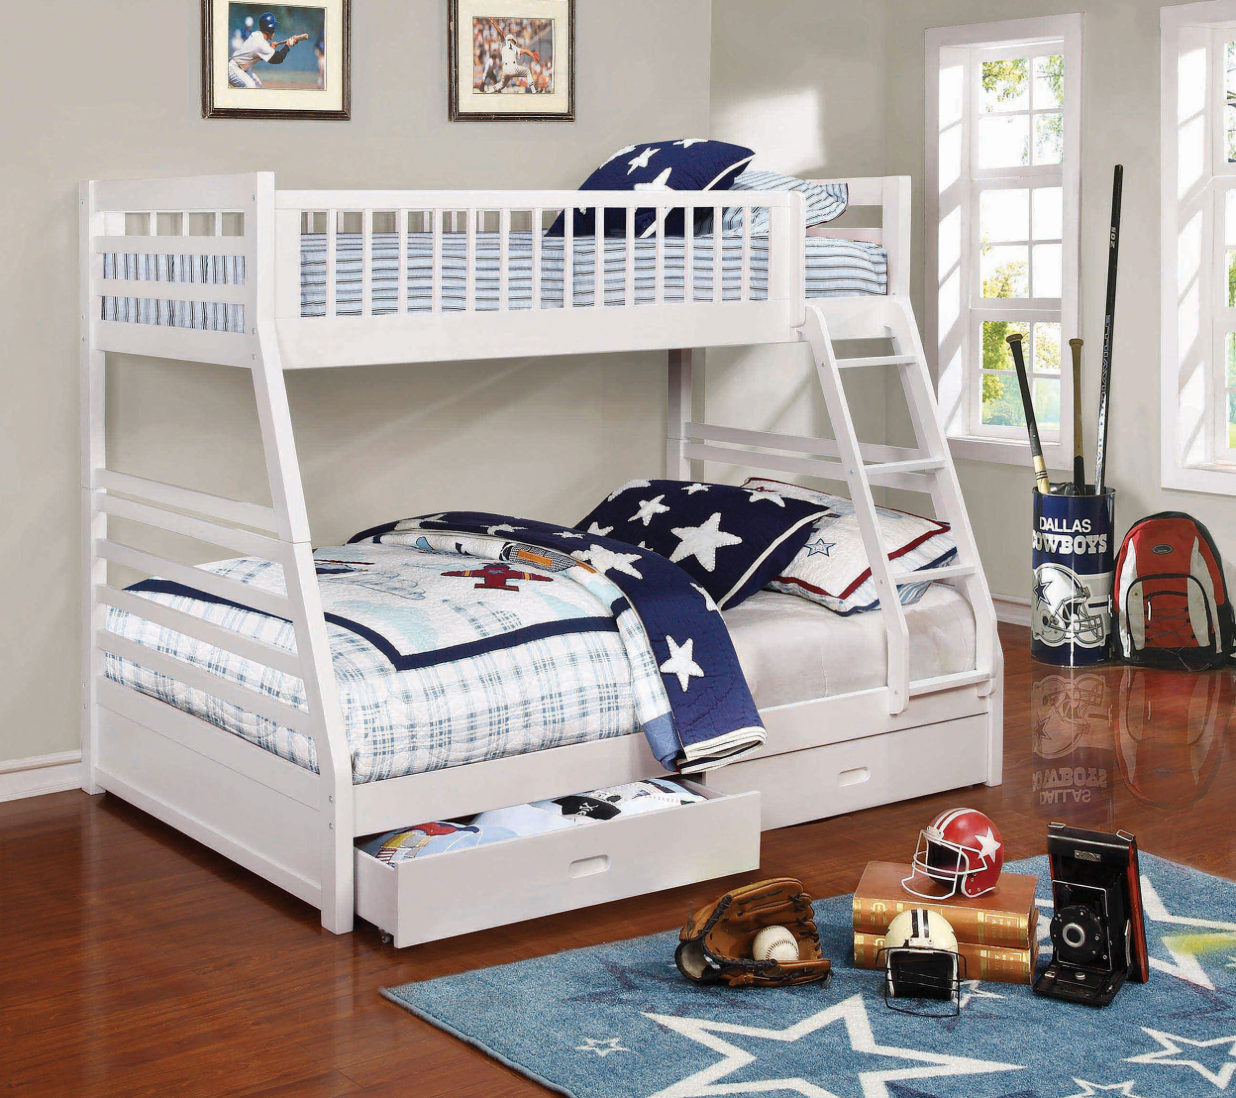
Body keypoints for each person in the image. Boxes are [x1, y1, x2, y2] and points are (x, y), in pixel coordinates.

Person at [228, 11, 310, 89]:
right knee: (250, 86)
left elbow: (257, 53)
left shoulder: (257, 35)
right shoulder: (261, 43)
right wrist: (287, 46)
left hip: (242, 68)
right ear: (270, 29)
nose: (274, 30)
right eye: (274, 28)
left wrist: (270, 48)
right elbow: (278, 58)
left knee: (259, 87)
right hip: (233, 69)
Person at [485, 18, 540, 93]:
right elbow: (526, 51)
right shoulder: (514, 47)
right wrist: (533, 55)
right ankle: (534, 91)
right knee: (527, 72)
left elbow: (500, 33)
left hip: (505, 69)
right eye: (514, 41)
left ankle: (488, 92)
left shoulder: (504, 44)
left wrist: (494, 23)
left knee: (501, 85)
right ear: (512, 40)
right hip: (513, 68)